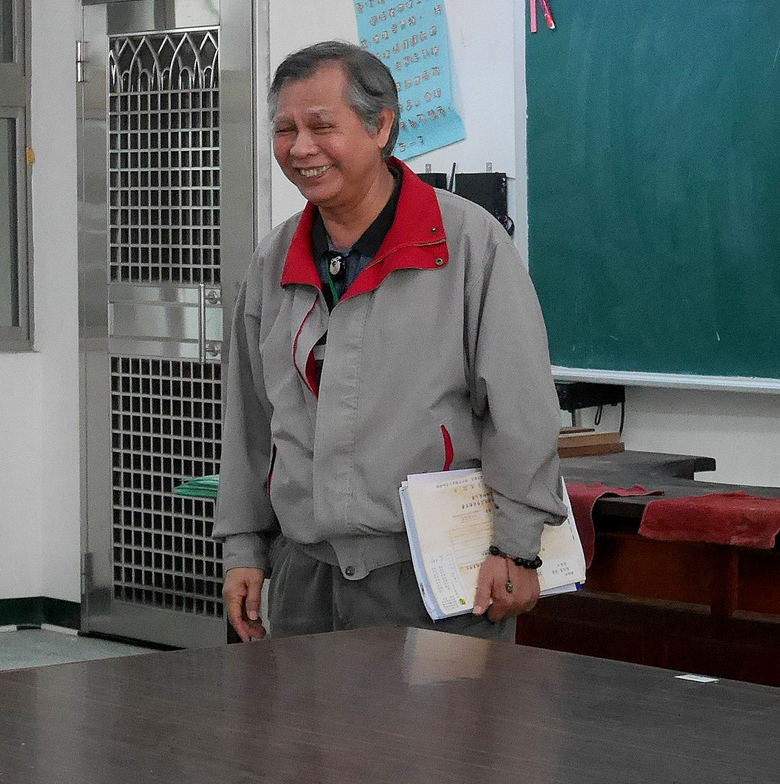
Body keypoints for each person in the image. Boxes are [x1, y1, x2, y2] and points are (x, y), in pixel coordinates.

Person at [214, 41, 565, 642]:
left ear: (381, 127)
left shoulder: (467, 244)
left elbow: (520, 407)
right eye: (285, 130)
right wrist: (244, 545)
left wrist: (517, 546)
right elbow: (250, 418)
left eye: (322, 126)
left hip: (438, 577)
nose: (301, 149)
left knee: (447, 712)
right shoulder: (275, 261)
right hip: (306, 576)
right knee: (302, 711)